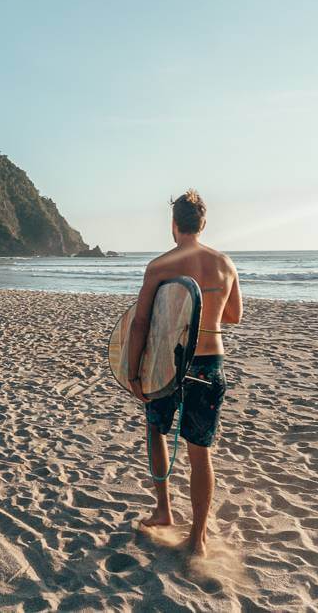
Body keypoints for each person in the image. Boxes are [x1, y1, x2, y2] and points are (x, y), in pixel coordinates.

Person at [126, 189, 243, 557]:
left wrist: (132, 373)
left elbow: (141, 321)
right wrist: (204, 311)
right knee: (199, 450)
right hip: (210, 363)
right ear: (203, 224)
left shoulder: (160, 266)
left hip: (166, 363)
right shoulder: (225, 264)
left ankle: (163, 510)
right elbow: (234, 315)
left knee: (155, 430)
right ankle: (199, 540)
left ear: (174, 224)